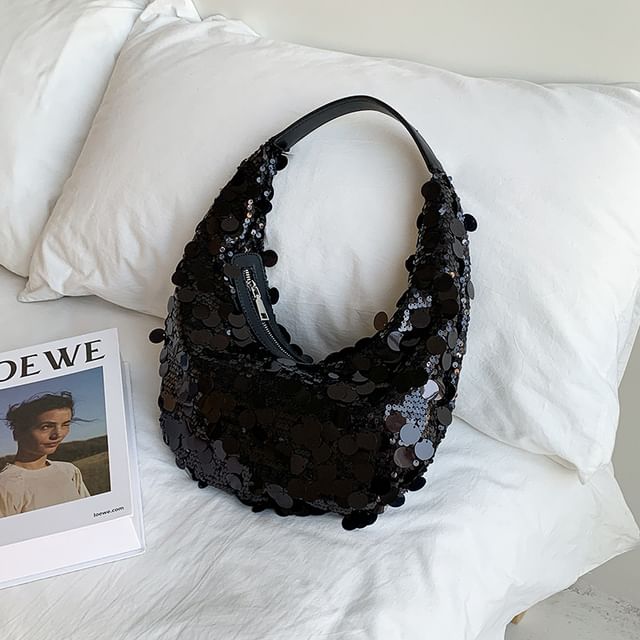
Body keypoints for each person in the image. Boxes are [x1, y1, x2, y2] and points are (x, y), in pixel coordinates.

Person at [0, 391, 90, 517]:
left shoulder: (69, 471)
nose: (58, 434)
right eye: (46, 427)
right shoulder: (5, 485)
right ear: (18, 433)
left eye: (65, 425)